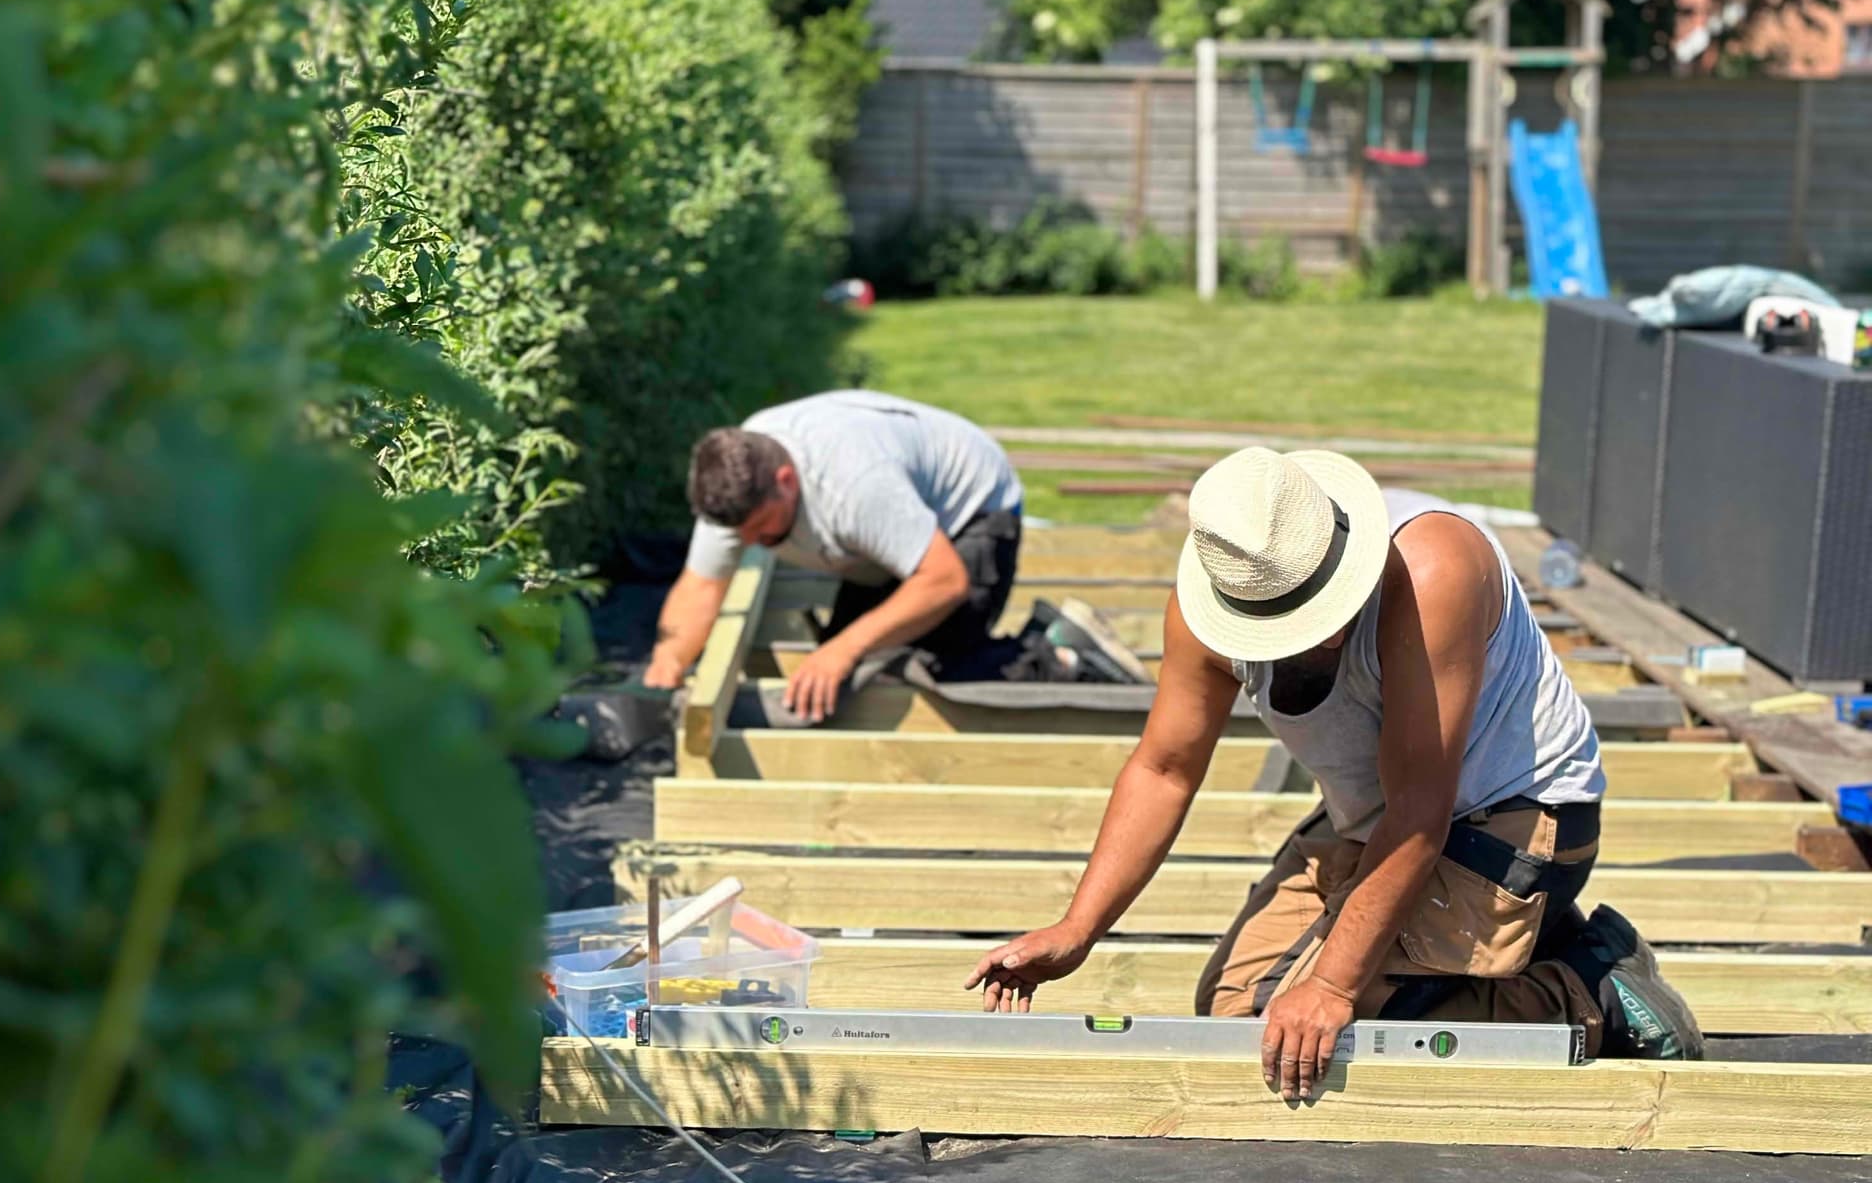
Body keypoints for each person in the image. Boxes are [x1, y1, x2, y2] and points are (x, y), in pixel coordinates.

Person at [968, 445, 1703, 1098]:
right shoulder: (1208, 609)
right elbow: (1164, 770)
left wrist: (1331, 983)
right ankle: (1512, 947)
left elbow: (1424, 807)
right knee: (1237, 1012)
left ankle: (1586, 984)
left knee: (1300, 1025)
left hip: (1512, 818)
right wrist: (1079, 927)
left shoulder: (1435, 568)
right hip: (1380, 815)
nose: (1324, 633)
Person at [643, 389, 1141, 720]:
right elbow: (702, 584)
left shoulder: (854, 488)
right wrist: (666, 665)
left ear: (785, 481)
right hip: (892, 529)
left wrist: (842, 650)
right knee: (841, 677)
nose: (747, 543)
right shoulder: (736, 482)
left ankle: (1064, 650)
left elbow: (943, 580)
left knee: (927, 667)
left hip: (971, 512)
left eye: (758, 530)